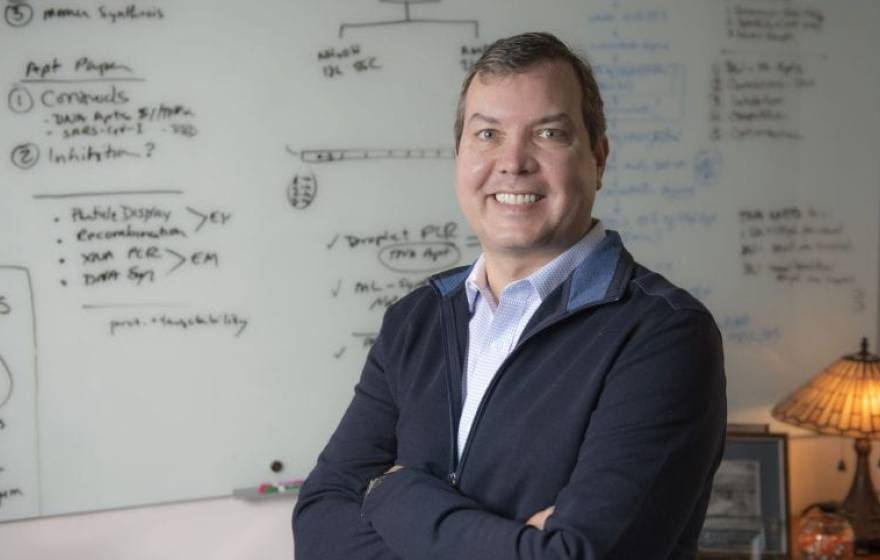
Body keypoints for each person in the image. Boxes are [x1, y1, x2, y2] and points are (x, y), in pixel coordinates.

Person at [292, 31, 726, 559]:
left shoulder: (664, 334)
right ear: (459, 156)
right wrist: (517, 540)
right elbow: (318, 527)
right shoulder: (416, 319)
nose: (513, 161)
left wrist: (392, 491)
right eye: (488, 134)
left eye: (548, 133)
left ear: (599, 158)